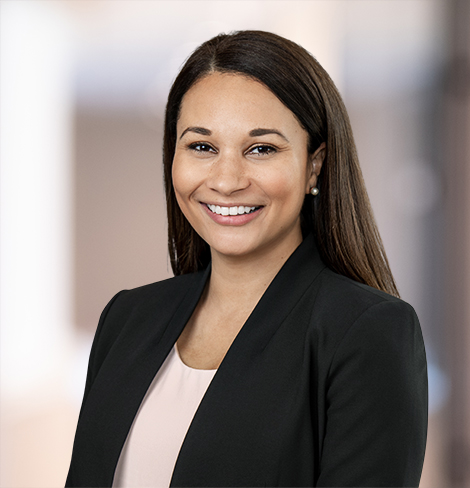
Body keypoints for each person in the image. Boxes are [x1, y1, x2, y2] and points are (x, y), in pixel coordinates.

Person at [66, 30, 428, 487]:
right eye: (202, 146)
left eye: (262, 148)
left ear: (314, 164)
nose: (227, 179)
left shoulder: (367, 333)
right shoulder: (128, 318)